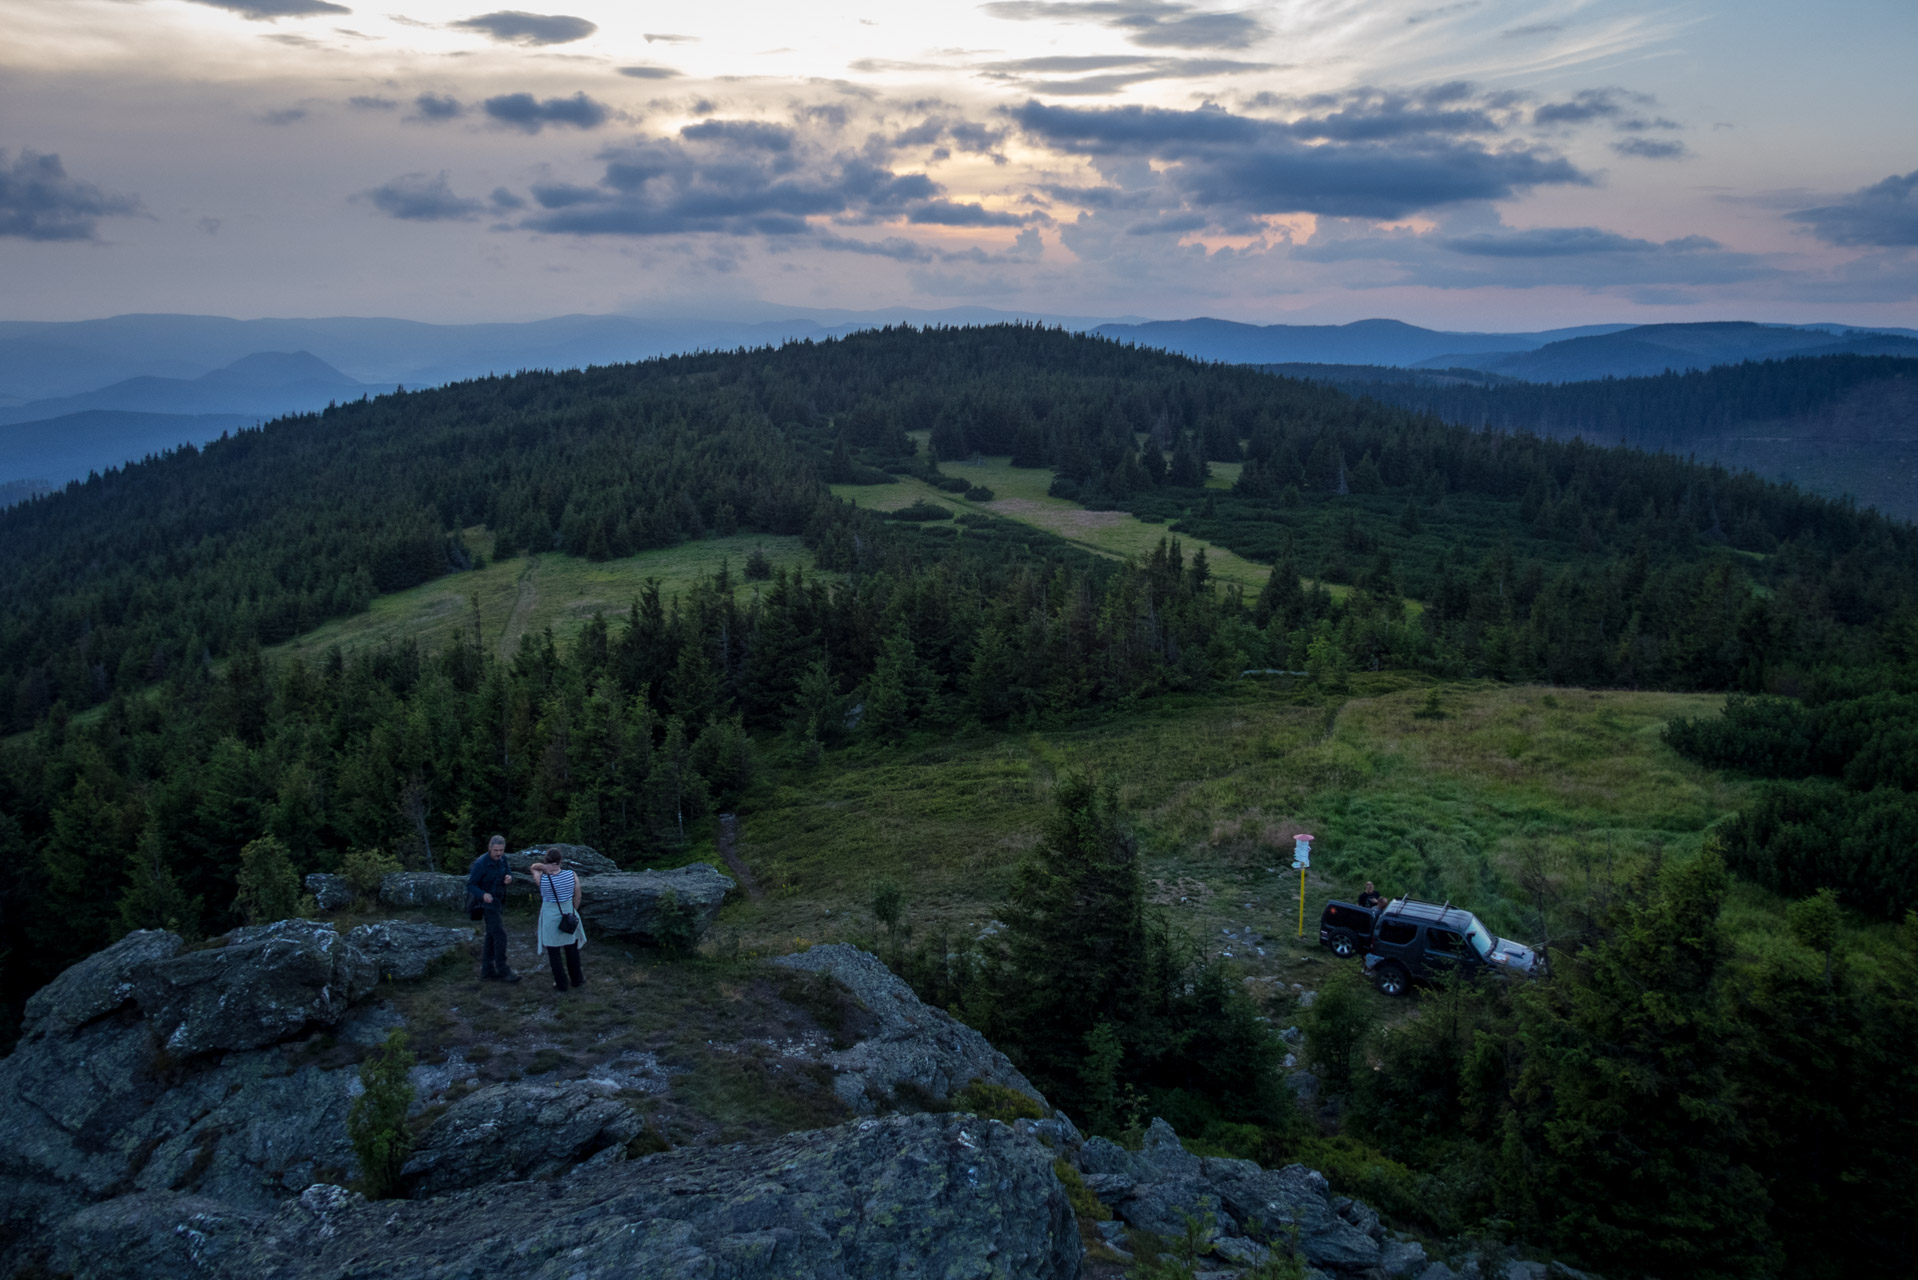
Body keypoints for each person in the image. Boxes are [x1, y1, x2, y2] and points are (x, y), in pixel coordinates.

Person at [467, 835, 521, 983]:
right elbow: (471, 885)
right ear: (489, 848)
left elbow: (509, 873)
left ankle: (487, 971)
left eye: (501, 850)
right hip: (487, 904)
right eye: (496, 850)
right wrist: (483, 894)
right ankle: (503, 970)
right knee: (500, 935)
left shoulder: (503, 859)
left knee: (491, 936)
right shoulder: (481, 863)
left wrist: (509, 878)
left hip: (498, 901)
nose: (498, 853)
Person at [531, 849, 586, 992]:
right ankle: (577, 979)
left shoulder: (542, 879)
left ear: (546, 861)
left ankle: (561, 983)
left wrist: (543, 867)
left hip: (550, 915)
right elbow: (578, 896)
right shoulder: (571, 875)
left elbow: (533, 867)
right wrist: (573, 910)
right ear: (560, 861)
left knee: (554, 952)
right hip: (568, 912)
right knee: (571, 949)